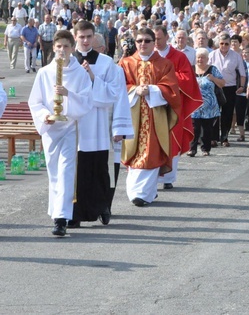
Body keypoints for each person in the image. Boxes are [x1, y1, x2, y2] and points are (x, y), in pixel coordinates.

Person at [29, 30, 93, 236]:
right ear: (53, 48)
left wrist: (68, 94)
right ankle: (56, 211)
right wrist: (45, 115)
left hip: (69, 127)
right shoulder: (45, 72)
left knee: (66, 171)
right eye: (59, 47)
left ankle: (61, 218)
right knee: (53, 171)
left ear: (72, 48)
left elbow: (86, 101)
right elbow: (35, 101)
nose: (62, 51)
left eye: (66, 46)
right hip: (50, 128)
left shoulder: (80, 73)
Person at [70, 21, 133, 228]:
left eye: (89, 36)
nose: (86, 41)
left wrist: (91, 77)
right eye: (82, 37)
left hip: (98, 125)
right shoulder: (67, 62)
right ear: (75, 37)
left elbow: (115, 95)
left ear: (94, 37)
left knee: (99, 169)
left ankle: (101, 206)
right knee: (77, 171)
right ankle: (74, 213)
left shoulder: (107, 64)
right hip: (76, 125)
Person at [120, 28, 181, 207]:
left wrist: (153, 89)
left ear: (154, 43)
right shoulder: (126, 63)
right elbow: (117, 87)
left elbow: (172, 89)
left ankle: (143, 193)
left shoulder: (164, 64)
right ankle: (140, 191)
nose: (143, 44)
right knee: (133, 150)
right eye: (139, 41)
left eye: (147, 40)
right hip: (132, 115)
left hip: (156, 116)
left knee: (151, 151)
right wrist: (134, 89)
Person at [154, 25, 202, 189]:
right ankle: (151, 176)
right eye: (153, 39)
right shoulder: (147, 56)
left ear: (167, 37)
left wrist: (166, 79)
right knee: (153, 140)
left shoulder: (178, 56)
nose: (156, 42)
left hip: (172, 106)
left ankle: (168, 178)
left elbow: (188, 79)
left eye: (159, 39)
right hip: (152, 106)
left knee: (172, 139)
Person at [209, 33, 246, 147]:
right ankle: (213, 138)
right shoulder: (212, 55)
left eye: (226, 44)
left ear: (230, 44)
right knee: (214, 112)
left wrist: (242, 86)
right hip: (214, 86)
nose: (224, 46)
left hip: (230, 87)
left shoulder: (236, 56)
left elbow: (242, 73)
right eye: (221, 43)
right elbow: (206, 70)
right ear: (218, 44)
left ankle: (224, 137)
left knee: (228, 113)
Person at [191, 48, 225, 156]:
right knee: (194, 128)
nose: (200, 60)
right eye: (198, 57)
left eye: (202, 57)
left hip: (209, 105)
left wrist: (213, 79)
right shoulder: (191, 69)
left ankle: (206, 148)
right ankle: (192, 149)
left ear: (207, 59)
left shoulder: (212, 69)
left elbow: (222, 83)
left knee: (207, 129)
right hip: (194, 104)